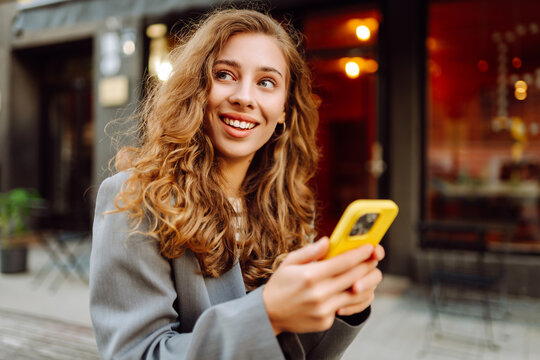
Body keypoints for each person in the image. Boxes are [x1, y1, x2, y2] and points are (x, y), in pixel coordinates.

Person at [90, 8, 385, 360]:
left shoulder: (288, 208)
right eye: (225, 74)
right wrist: (267, 313)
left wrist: (339, 306)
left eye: (266, 82)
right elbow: (137, 354)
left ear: (285, 112)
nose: (245, 97)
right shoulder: (135, 196)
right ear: (196, 89)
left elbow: (296, 351)